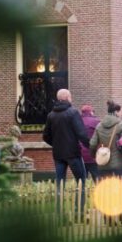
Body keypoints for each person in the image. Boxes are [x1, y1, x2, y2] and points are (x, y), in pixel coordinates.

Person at [43, 89, 89, 217]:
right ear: (68, 97)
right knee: (81, 181)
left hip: (58, 155)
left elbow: (45, 136)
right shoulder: (73, 113)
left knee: (60, 183)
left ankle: (59, 212)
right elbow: (81, 133)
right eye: (71, 96)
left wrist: (56, 144)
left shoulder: (51, 115)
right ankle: (78, 211)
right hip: (73, 153)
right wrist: (90, 147)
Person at [90, 100, 122, 178]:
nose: (121, 114)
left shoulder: (99, 126)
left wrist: (94, 155)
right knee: (120, 188)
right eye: (120, 111)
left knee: (106, 188)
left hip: (103, 163)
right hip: (119, 164)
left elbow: (92, 144)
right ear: (116, 112)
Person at [80, 105, 100, 181]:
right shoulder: (96, 122)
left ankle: (82, 193)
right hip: (93, 155)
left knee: (82, 179)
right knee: (97, 178)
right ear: (91, 112)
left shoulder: (77, 120)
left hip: (80, 154)